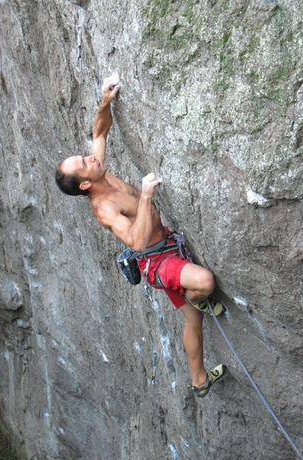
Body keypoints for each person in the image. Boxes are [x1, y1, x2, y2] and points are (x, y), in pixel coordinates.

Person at [55, 75, 227, 398]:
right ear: (84, 184)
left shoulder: (100, 172)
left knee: (192, 321)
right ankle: (195, 297)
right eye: (84, 162)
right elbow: (135, 241)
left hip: (166, 245)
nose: (90, 157)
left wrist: (105, 102)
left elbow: (99, 131)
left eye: (85, 156)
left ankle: (200, 382)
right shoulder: (104, 207)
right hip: (157, 260)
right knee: (203, 283)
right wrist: (146, 196)